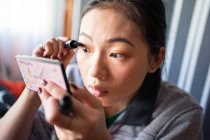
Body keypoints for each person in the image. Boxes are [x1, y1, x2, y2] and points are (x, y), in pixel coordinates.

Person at [0, 0, 203, 139]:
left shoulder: (180, 117)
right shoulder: (67, 80)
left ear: (155, 59)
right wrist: (37, 82)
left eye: (116, 54)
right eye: (86, 48)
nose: (94, 72)